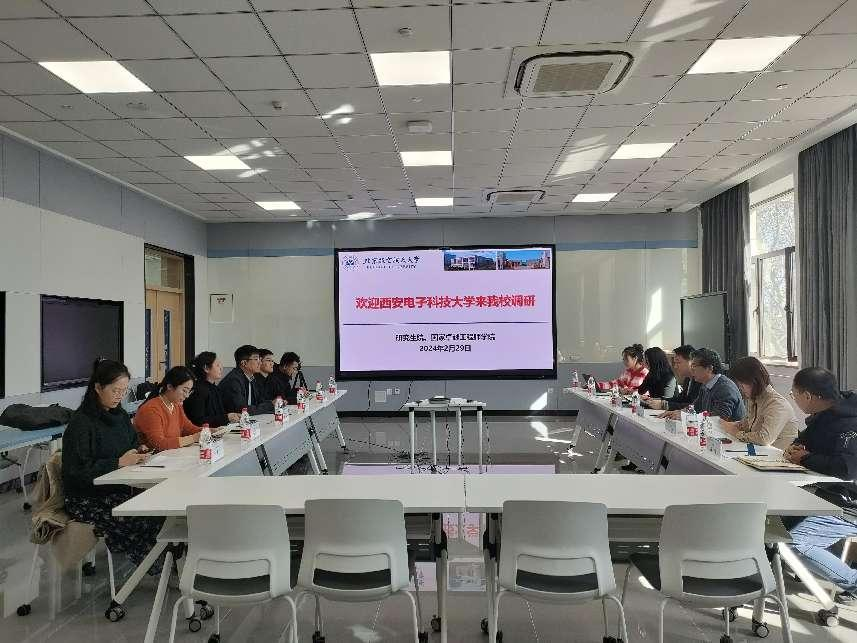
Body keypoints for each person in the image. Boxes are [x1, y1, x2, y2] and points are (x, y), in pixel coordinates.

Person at [61, 359, 163, 569]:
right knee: (142, 519)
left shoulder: (120, 415)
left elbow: (132, 442)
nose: (120, 396)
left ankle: (164, 563)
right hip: (87, 499)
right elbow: (76, 472)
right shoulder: (82, 423)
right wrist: (118, 462)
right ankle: (156, 567)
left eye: (124, 391)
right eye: (115, 390)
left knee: (160, 510)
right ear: (98, 388)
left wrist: (139, 450)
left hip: (117, 488)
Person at [782, 368, 857, 601]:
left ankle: (853, 582)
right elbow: (804, 440)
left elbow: (846, 469)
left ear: (807, 396)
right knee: (772, 521)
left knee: (794, 544)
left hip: (847, 504)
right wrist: (796, 449)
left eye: (793, 394)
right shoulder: (825, 414)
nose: (793, 398)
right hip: (824, 494)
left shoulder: (849, 422)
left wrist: (805, 458)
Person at [719, 356, 799, 450]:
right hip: (760, 451)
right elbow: (748, 424)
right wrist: (735, 425)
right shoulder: (754, 399)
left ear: (754, 381)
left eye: (741, 384)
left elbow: (764, 439)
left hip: (777, 455)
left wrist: (736, 432)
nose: (740, 388)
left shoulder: (777, 404)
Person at [659, 348, 745, 421]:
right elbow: (695, 407)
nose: (691, 370)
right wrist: (679, 412)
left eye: (694, 366)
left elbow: (719, 418)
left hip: (728, 434)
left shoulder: (724, 388)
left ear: (709, 368)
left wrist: (685, 417)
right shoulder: (706, 384)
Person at [134, 366, 202, 451]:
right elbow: (159, 444)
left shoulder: (176, 405)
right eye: (184, 390)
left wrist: (210, 431)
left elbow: (188, 428)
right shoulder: (151, 409)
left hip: (171, 454)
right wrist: (193, 438)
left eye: (189, 391)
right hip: (154, 457)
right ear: (170, 386)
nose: (187, 396)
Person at [184, 351, 241, 428]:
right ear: (206, 368)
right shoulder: (198, 390)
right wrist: (226, 418)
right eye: (217, 365)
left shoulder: (214, 388)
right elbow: (198, 421)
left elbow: (219, 414)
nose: (221, 368)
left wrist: (232, 416)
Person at [218, 344, 274, 415]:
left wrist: (273, 403)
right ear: (244, 363)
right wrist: (270, 405)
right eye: (256, 359)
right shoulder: (233, 381)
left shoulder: (251, 378)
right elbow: (242, 409)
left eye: (260, 359)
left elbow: (259, 401)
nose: (260, 362)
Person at [643, 345, 700, 411]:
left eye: (678, 362)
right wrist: (656, 400)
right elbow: (680, 399)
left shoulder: (700, 380)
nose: (675, 366)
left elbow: (694, 406)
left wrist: (664, 405)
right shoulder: (688, 379)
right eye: (675, 363)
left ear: (691, 362)